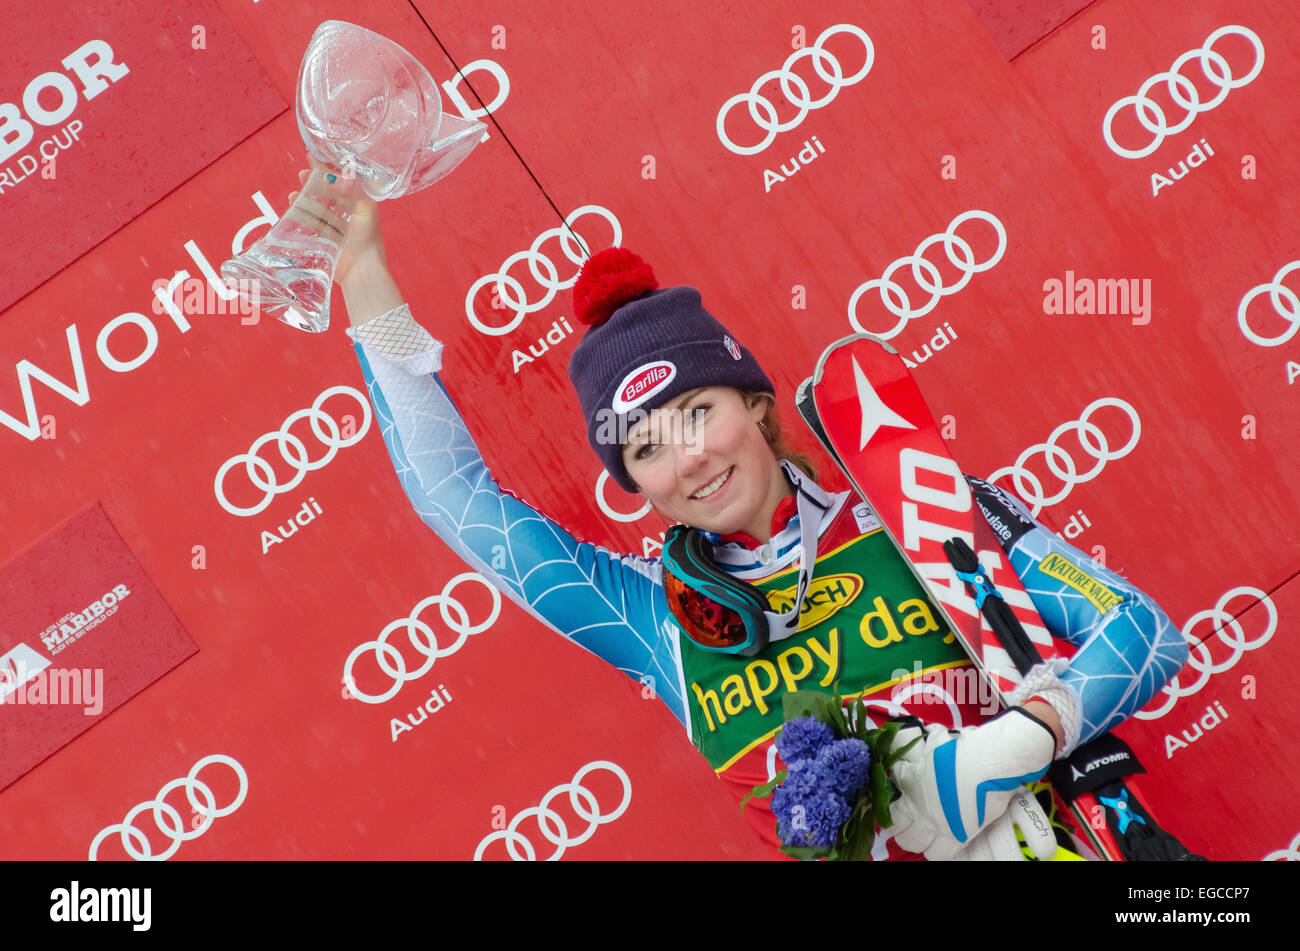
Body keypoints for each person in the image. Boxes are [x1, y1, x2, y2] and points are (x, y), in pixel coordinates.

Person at [292, 162, 1190, 860]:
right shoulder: (656, 620)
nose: (688, 456)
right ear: (633, 483)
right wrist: (365, 280)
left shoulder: (915, 510)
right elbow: (457, 500)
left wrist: (1015, 744)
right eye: (644, 448)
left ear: (754, 401)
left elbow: (1146, 633)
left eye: (696, 411)